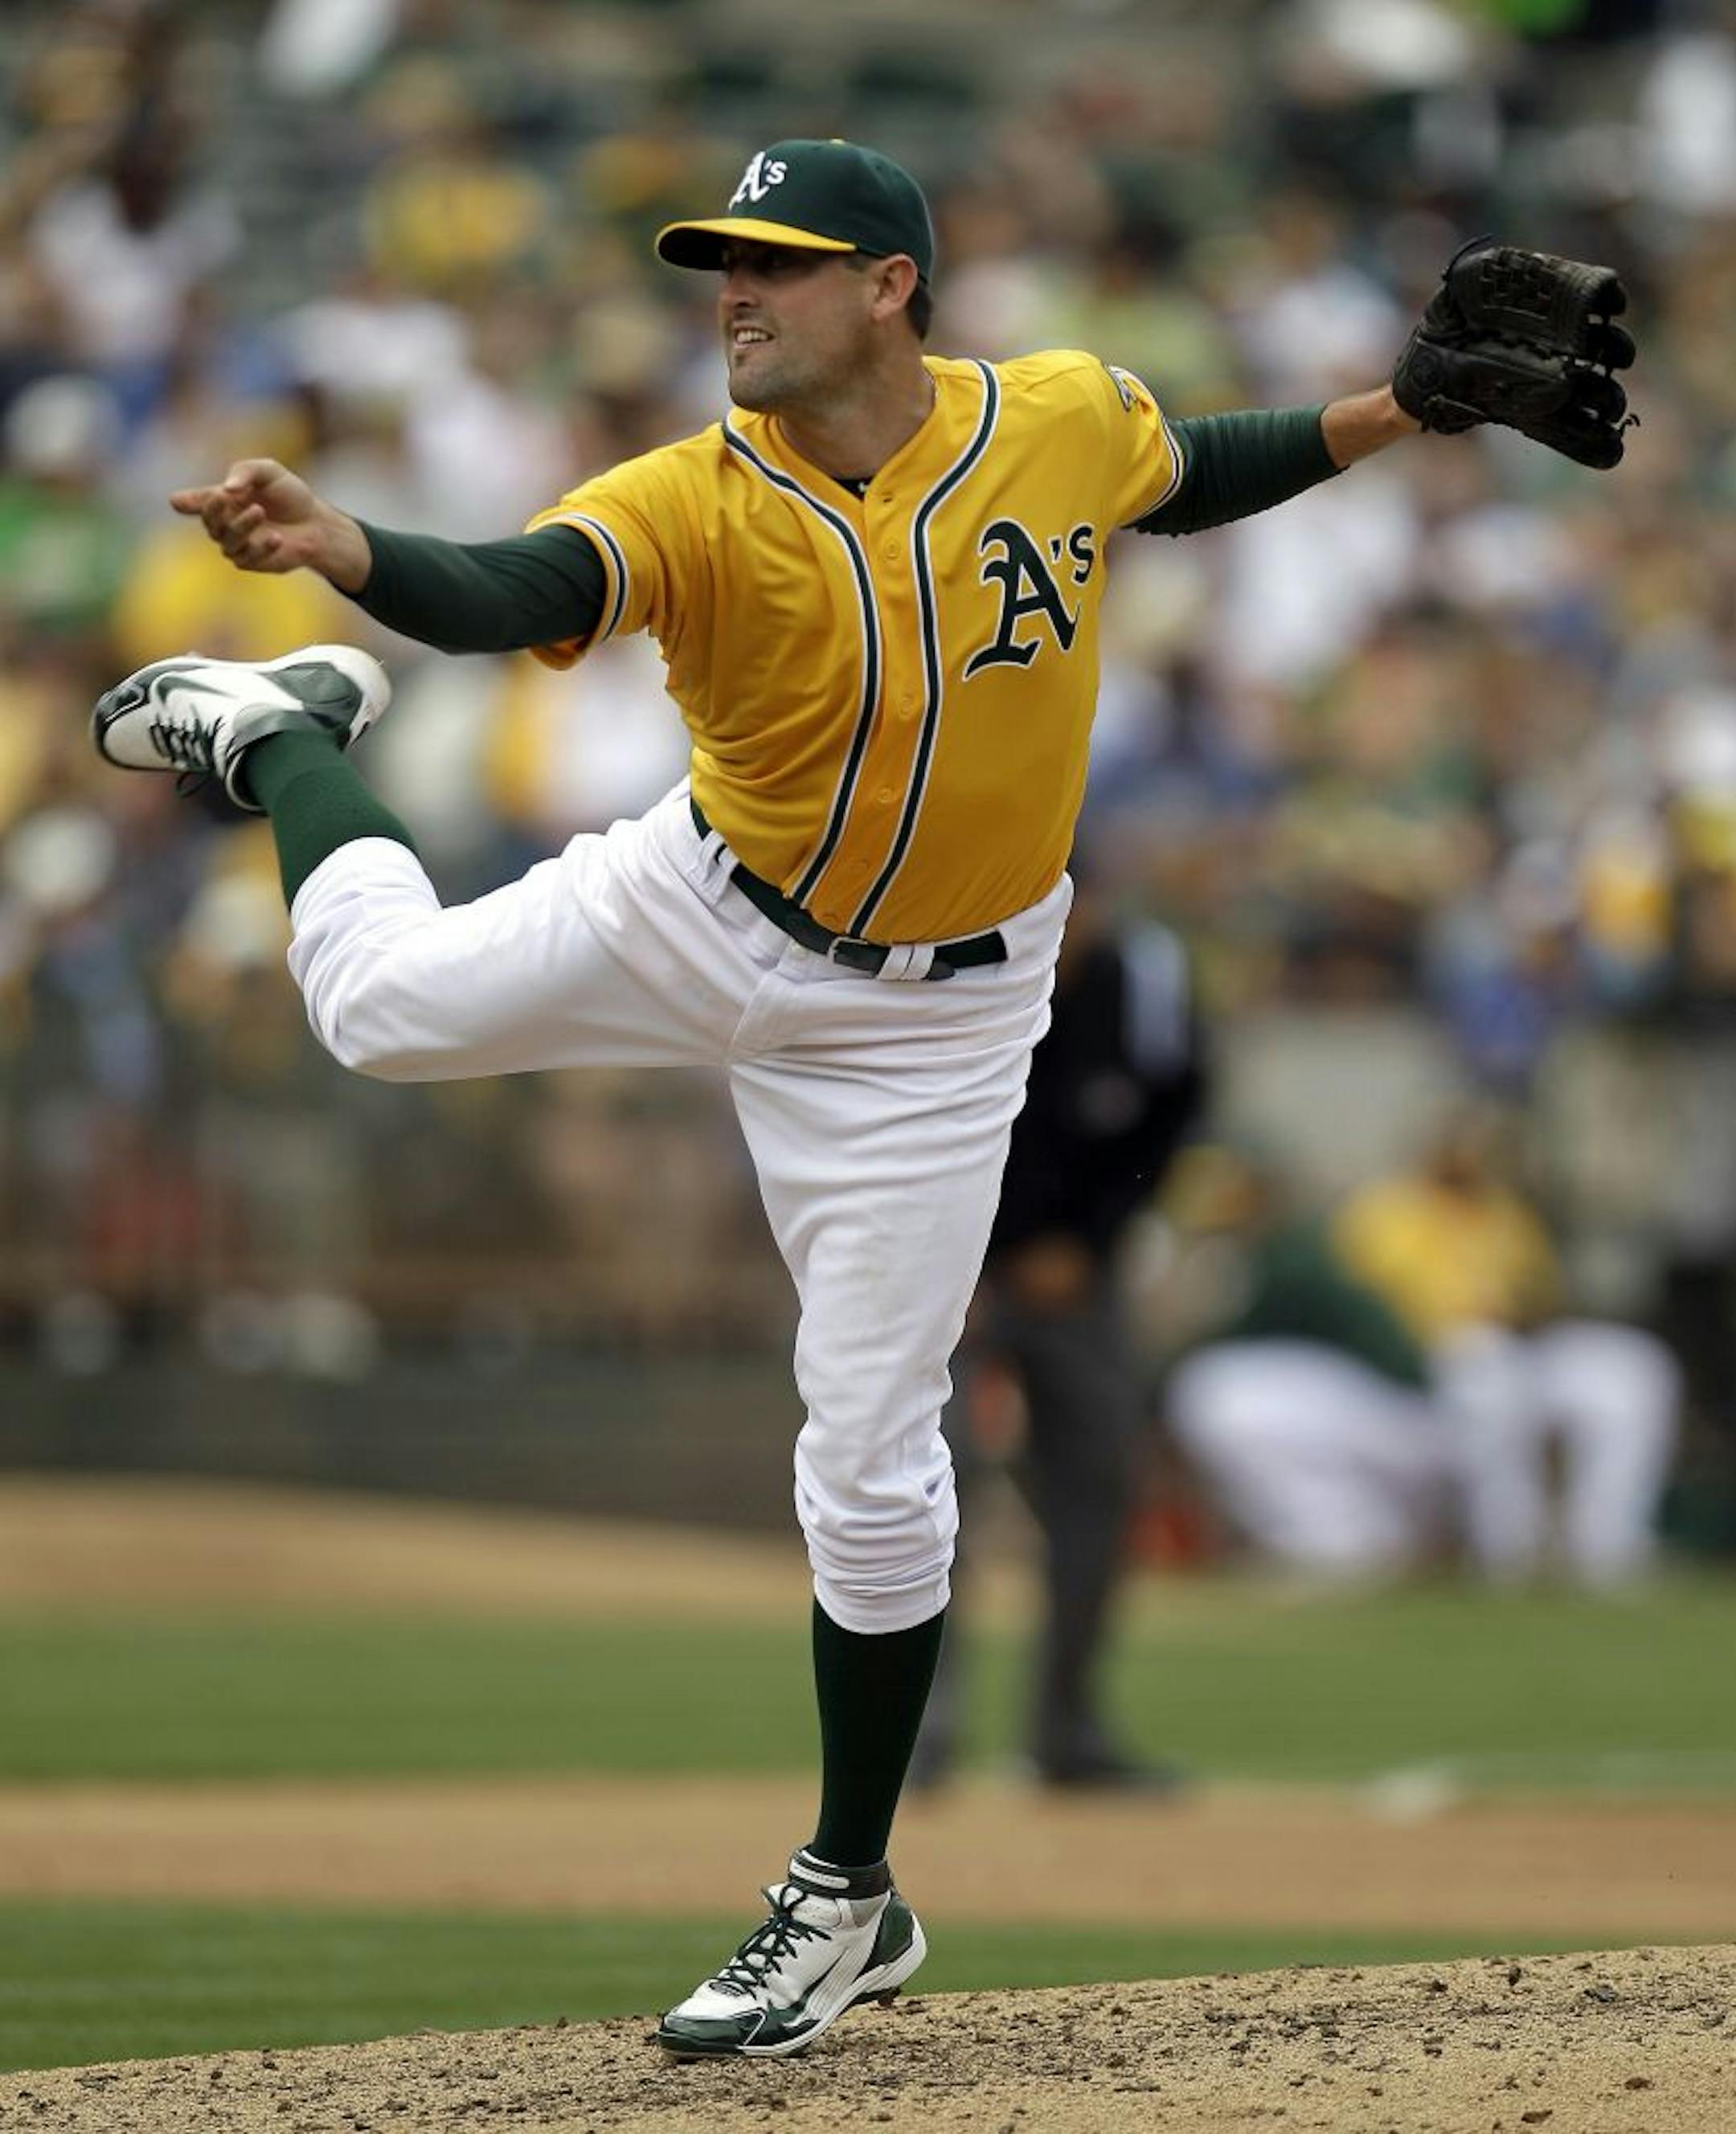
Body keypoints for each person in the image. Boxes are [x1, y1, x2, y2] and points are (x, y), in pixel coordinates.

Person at [89, 140, 1615, 2058]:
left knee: (873, 1467)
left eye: (779, 263)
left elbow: (1192, 467)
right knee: (378, 1006)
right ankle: (289, 734)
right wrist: (350, 552)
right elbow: (507, 588)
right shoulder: (696, 495)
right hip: (702, 904)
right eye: (720, 263)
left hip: (931, 1028)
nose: (735, 292)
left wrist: (1398, 406)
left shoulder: (1052, 413)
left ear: (889, 283)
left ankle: (844, 1895)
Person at [912, 882, 1205, 1789]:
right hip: (945, 1274)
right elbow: (903, 1117)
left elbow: (1175, 1113)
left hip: (1078, 1275)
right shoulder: (945, 969)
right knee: (921, 1491)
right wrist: (953, 1262)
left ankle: (1067, 1732)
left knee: (1100, 1479)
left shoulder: (1141, 985)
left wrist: (1091, 1243)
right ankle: (915, 1739)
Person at [1333, 1108, 1681, 1585]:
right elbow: (1378, 1306)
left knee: (1633, 1367)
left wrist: (1527, 1318)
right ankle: (1508, 1552)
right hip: (1437, 1358)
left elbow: (1540, 1297)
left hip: (1522, 1348)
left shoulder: (1506, 1213)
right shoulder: (1386, 1211)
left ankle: (1609, 1548)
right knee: (1485, 1373)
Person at [1164, 1149, 1451, 1579]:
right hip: (1381, 1413)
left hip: (1404, 1414)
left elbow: (1228, 1340)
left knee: (1214, 1394)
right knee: (1227, 1392)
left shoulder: (1289, 1257)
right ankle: (1363, 1536)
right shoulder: (1298, 1243)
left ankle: (1333, 1543)